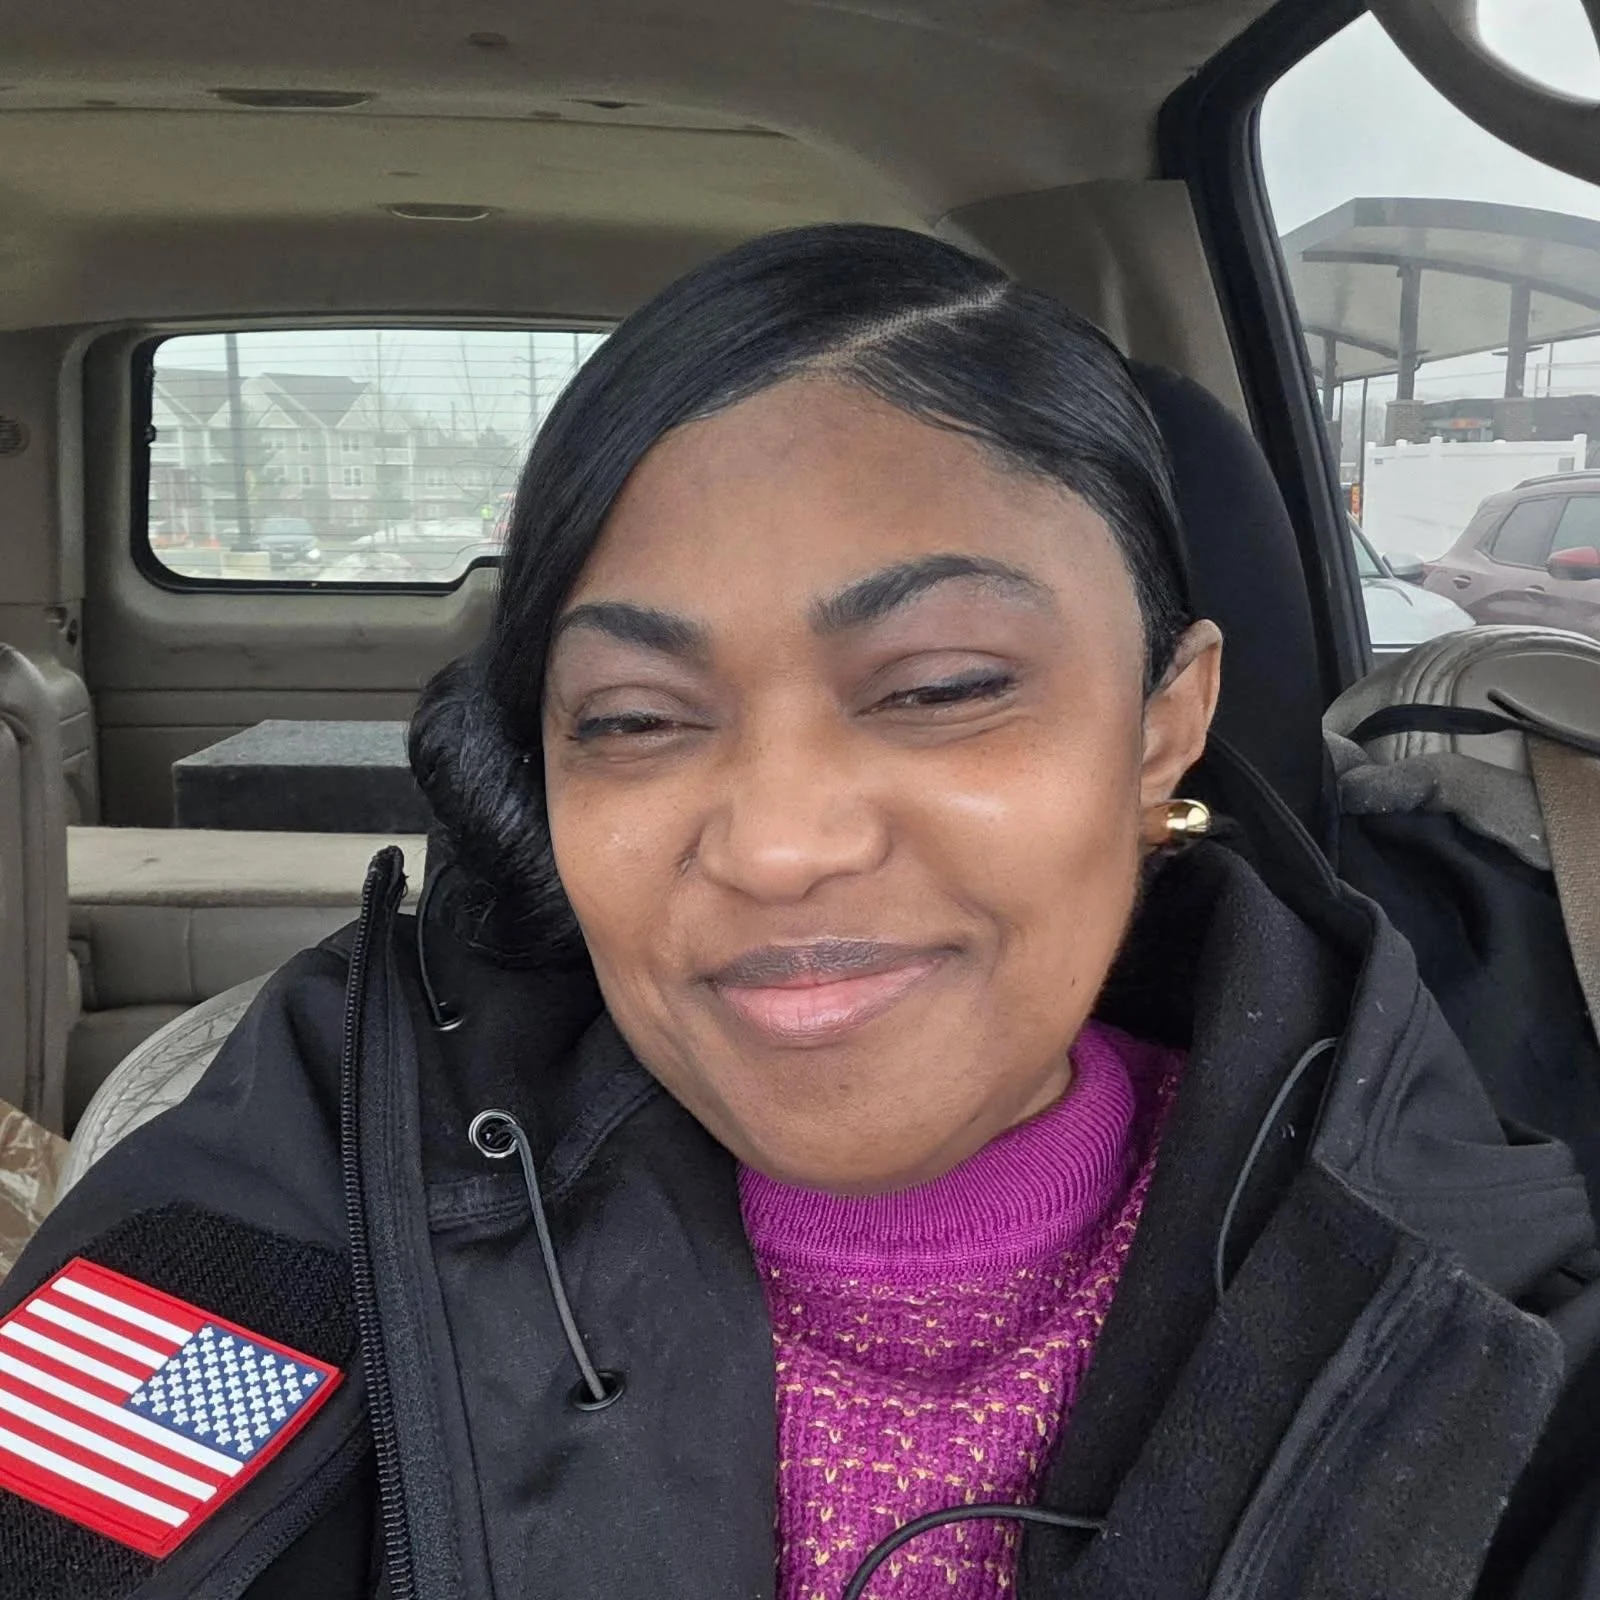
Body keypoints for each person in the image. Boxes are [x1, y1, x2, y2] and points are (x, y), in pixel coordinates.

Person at [2, 225, 1595, 1600]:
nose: (777, 846)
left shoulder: (1473, 1299)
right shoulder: (316, 1164)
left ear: (1163, 723)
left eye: (945, 687)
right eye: (629, 717)